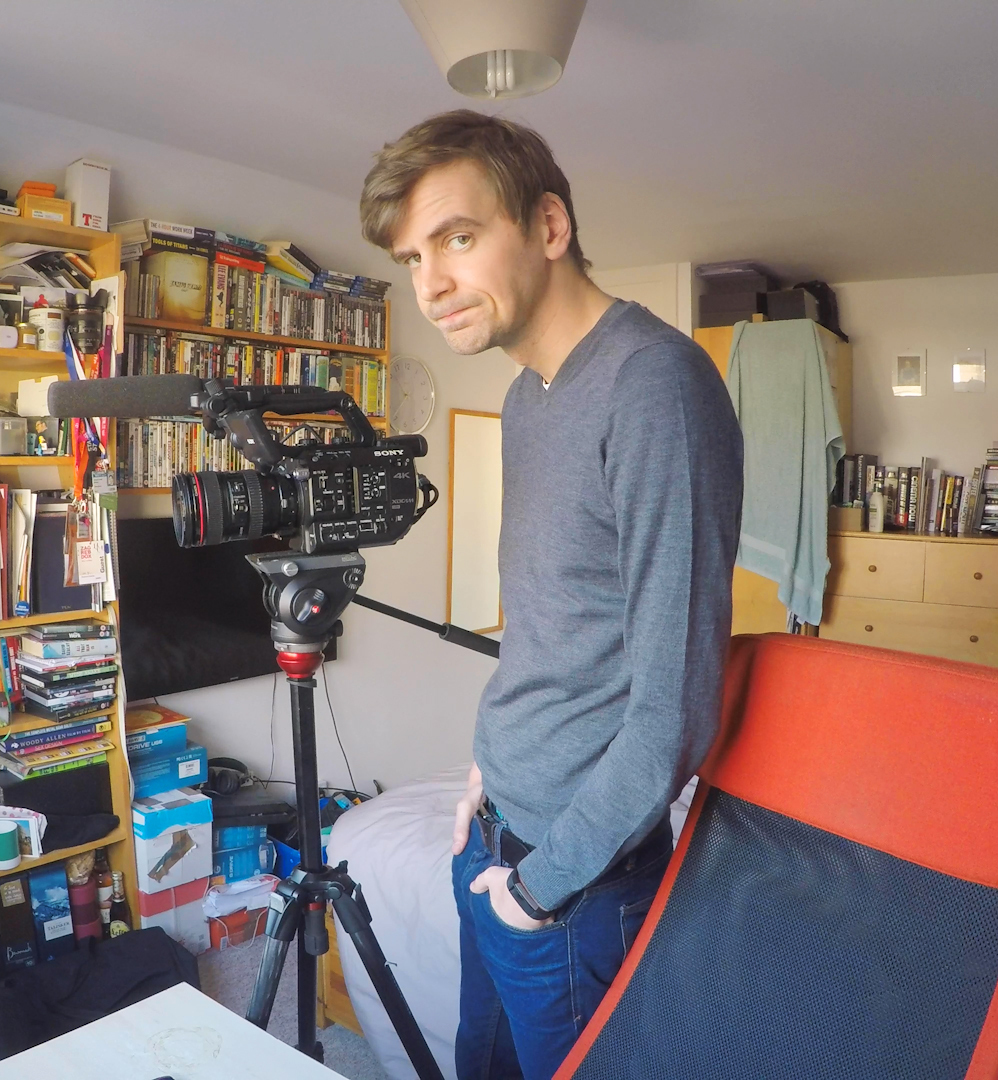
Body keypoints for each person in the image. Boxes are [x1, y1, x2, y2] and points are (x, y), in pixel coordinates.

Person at [359, 111, 743, 1078]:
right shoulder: (528, 396)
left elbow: (675, 710)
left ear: (549, 225)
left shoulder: (655, 386)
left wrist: (535, 893)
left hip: (574, 888)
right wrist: (487, 776)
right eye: (412, 258)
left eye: (456, 238)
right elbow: (554, 627)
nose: (429, 286)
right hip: (492, 834)